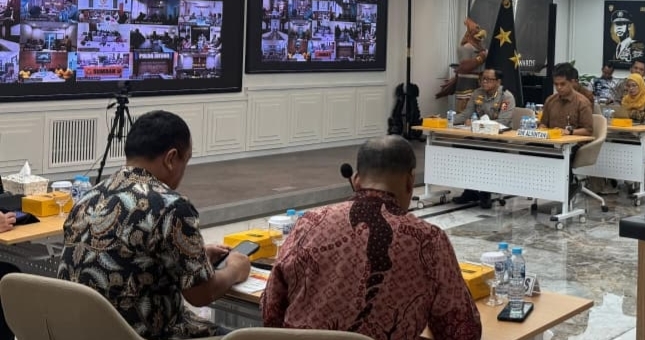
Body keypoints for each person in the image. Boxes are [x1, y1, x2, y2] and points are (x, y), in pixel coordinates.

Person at [262, 136, 482, 339]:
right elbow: (462, 331)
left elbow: (270, 309)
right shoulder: (429, 240)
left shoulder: (309, 223)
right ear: (410, 182)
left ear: (356, 180)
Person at [59, 111, 250, 339]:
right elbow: (201, 294)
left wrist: (196, 258)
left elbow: (129, 259)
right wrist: (235, 269)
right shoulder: (171, 206)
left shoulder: (87, 198)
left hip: (81, 331)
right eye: (186, 161)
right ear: (171, 158)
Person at [451, 68, 516, 208]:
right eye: (482, 79)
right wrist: (448, 121)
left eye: (488, 79)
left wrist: (477, 123)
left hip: (499, 139)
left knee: (486, 151)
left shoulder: (506, 97)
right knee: (460, 146)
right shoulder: (477, 93)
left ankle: (486, 192)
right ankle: (470, 190)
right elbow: (466, 114)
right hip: (479, 137)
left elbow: (503, 121)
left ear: (498, 82)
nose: (484, 82)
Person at [542, 67, 593, 136]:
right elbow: (543, 124)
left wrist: (569, 132)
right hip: (552, 138)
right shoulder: (550, 100)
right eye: (556, 84)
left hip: (573, 140)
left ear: (572, 82)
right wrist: (542, 129)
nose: (559, 87)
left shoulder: (582, 102)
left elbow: (588, 131)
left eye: (563, 84)